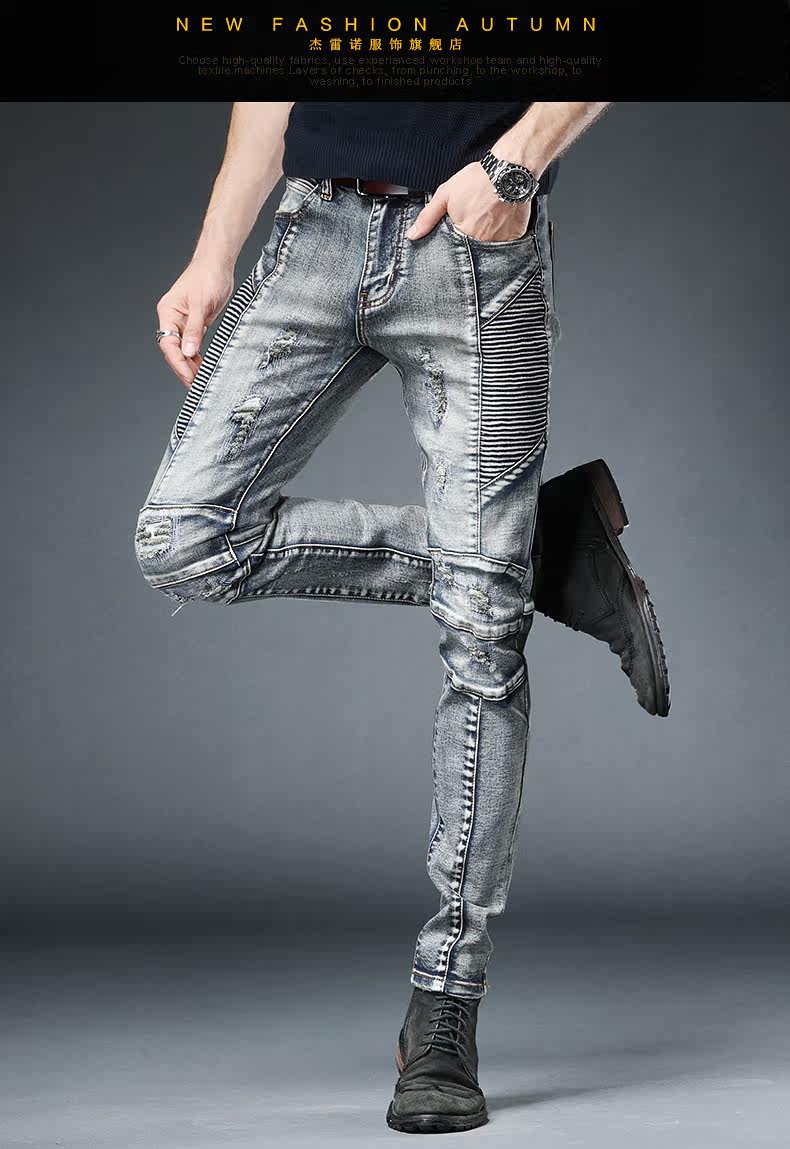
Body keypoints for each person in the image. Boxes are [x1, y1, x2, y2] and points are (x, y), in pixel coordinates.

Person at [135, 100, 669, 1134]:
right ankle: (535, 554)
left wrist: (512, 170)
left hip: (475, 245)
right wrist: (213, 252)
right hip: (313, 230)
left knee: (482, 646)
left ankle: (444, 1006)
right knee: (186, 539)